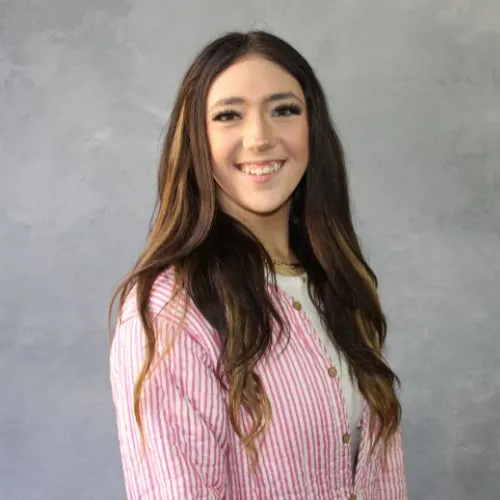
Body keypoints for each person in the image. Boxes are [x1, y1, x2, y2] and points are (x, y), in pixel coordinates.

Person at [108, 30, 408, 500]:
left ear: (313, 129)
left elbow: (385, 478)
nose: (260, 138)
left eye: (284, 110)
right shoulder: (169, 312)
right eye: (229, 115)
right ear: (197, 141)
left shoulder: (344, 285)